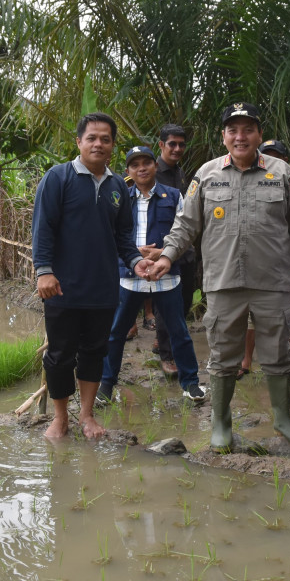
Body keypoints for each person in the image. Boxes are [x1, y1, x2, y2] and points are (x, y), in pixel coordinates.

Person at [147, 103, 290, 452]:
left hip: (272, 281)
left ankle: (283, 419)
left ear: (258, 133)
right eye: (233, 130)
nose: (240, 136)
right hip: (223, 281)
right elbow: (186, 224)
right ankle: (221, 422)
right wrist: (167, 255)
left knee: (278, 354)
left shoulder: (281, 172)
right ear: (223, 135)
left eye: (248, 129)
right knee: (224, 354)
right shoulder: (207, 174)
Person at [32, 113, 151, 441]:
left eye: (106, 139)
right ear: (79, 142)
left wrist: (135, 261)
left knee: (95, 351)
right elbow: (43, 227)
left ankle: (86, 416)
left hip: (102, 287)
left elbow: (124, 236)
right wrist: (43, 271)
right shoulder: (58, 178)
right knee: (59, 354)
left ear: (113, 145)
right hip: (61, 288)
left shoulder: (117, 187)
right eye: (92, 138)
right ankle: (60, 418)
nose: (98, 144)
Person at [98, 146, 206, 406]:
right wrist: (136, 253)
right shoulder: (119, 197)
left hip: (165, 275)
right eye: (135, 165)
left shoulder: (174, 195)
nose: (142, 168)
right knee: (115, 333)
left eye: (147, 162)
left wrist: (162, 253)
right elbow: (108, 235)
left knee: (178, 330)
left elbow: (187, 231)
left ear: (155, 166)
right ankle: (106, 385)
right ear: (128, 171)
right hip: (129, 276)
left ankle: (191, 383)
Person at [238, 137, 290, 381]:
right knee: (249, 317)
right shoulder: (248, 183)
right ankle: (245, 359)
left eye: (275, 156)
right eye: (266, 155)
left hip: (284, 265)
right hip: (250, 266)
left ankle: (286, 360)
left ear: (285, 160)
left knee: (285, 316)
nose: (269, 160)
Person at [152, 123, 193, 375]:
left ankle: (167, 345)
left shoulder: (181, 173)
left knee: (183, 305)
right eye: (172, 144)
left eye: (181, 144)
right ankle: (167, 357)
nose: (177, 149)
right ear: (161, 145)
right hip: (161, 252)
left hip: (185, 252)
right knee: (166, 307)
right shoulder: (150, 173)